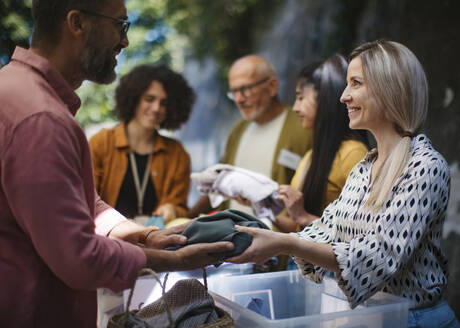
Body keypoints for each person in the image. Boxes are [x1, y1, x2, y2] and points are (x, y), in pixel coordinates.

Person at [0, 1, 233, 327]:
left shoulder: (14, 88)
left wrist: (143, 234)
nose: (125, 41)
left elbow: (78, 203)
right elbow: (78, 256)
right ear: (77, 23)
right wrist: (174, 259)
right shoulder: (42, 119)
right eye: (120, 25)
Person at [228, 40, 460, 327]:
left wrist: (284, 243)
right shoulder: (364, 169)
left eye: (355, 83)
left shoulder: (425, 167)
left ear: (389, 88)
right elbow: (326, 231)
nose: (343, 96)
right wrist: (248, 240)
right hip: (372, 318)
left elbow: (378, 257)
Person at [188, 54, 312, 217]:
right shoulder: (239, 129)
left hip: (276, 237)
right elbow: (219, 182)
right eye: (234, 92)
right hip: (231, 233)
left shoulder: (303, 127)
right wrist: (186, 217)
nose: (239, 99)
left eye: (245, 90)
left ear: (272, 86)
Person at [89, 64, 194, 225]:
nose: (156, 108)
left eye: (164, 103)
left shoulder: (177, 153)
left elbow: (180, 207)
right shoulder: (101, 143)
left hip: (158, 240)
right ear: (134, 98)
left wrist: (172, 209)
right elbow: (86, 197)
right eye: (149, 99)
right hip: (110, 240)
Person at [275, 55, 368, 233]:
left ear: (324, 100)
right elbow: (299, 230)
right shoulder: (310, 156)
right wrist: (262, 208)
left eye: (301, 98)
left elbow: (361, 237)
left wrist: (303, 216)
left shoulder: (352, 153)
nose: (295, 107)